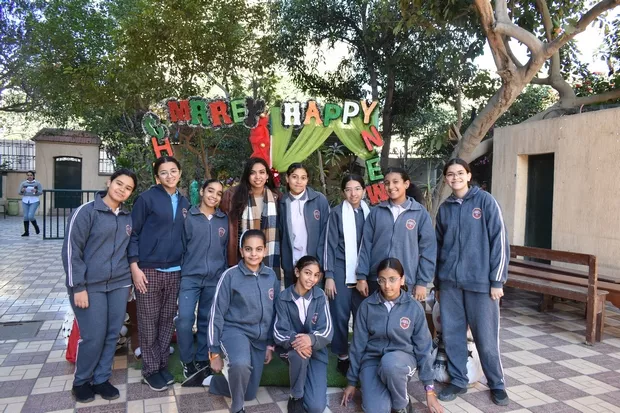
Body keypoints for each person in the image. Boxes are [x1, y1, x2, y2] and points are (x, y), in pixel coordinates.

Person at [435, 158, 509, 406]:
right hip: (450, 285)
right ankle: (458, 380)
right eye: (450, 174)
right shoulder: (445, 208)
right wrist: (438, 283)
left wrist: (497, 280)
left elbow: (499, 241)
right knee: (453, 336)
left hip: (481, 285)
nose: (455, 178)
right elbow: (438, 247)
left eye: (459, 173)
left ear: (468, 175)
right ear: (446, 179)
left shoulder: (485, 202)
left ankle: (497, 383)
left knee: (486, 339)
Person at [62, 169, 138, 403]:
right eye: (119, 183)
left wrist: (129, 282)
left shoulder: (127, 217)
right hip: (89, 285)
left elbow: (128, 250)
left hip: (119, 284)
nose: (122, 190)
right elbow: (71, 252)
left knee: (112, 333)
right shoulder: (86, 212)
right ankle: (81, 381)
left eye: (128, 188)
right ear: (109, 182)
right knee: (93, 335)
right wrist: (78, 287)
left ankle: (101, 378)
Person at [341, 258, 443, 413]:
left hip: (401, 360)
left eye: (392, 279)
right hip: (372, 361)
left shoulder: (414, 307)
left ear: (402, 280)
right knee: (375, 410)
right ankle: (391, 390)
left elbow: (424, 348)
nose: (387, 285)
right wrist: (352, 382)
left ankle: (402, 404)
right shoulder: (367, 306)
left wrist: (429, 390)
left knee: (390, 365)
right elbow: (357, 346)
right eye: (382, 280)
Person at [128, 156, 191, 391]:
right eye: (163, 172)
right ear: (157, 177)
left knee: (166, 320)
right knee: (148, 321)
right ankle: (150, 370)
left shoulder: (184, 202)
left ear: (180, 173)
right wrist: (134, 267)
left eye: (173, 171)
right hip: (148, 270)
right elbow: (132, 234)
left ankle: (162, 364)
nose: (169, 176)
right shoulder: (146, 199)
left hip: (175, 270)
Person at [207, 229, 279, 413]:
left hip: (259, 338)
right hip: (235, 331)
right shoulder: (230, 276)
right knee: (240, 364)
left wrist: (270, 344)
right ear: (241, 251)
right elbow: (216, 313)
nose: (253, 254)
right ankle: (237, 408)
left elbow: (275, 312)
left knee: (249, 392)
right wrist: (214, 353)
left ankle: (216, 382)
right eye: (248, 249)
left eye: (258, 249)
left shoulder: (271, 276)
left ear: (265, 251)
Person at [356, 167, 436, 301]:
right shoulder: (376, 212)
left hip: (406, 281)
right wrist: (362, 277)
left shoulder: (419, 213)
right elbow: (365, 246)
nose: (391, 186)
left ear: (406, 184)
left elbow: (428, 249)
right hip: (377, 280)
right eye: (387, 183)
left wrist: (422, 282)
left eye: (395, 182)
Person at [176, 179, 227, 380]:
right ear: (202, 192)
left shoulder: (223, 220)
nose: (214, 196)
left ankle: (201, 358)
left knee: (207, 320)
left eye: (219, 193)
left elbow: (225, 250)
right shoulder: (189, 217)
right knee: (185, 319)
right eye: (210, 191)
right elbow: (181, 246)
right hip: (190, 277)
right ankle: (187, 361)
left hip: (214, 278)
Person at [274, 256, 333, 413]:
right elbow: (279, 332)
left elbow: (327, 330)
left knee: (316, 407)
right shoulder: (283, 298)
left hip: (317, 353)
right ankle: (296, 396)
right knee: (299, 355)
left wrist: (310, 339)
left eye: (316, 275)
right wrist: (298, 340)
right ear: (297, 272)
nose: (312, 279)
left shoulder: (320, 296)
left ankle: (306, 379)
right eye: (307, 273)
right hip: (293, 351)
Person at [323, 174, 369, 375]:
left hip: (364, 271)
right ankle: (342, 355)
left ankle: (360, 354)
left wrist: (366, 275)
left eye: (357, 188)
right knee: (340, 314)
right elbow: (329, 245)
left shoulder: (370, 213)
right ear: (343, 192)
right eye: (348, 189)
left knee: (362, 315)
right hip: (340, 269)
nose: (353, 193)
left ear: (364, 190)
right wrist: (329, 276)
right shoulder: (336, 213)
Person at [220, 158, 281, 271]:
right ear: (247, 175)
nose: (258, 176)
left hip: (269, 256)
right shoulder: (232, 195)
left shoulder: (277, 197)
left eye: (262, 172)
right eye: (253, 173)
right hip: (240, 256)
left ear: (267, 175)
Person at [279, 163, 329, 288]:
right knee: (293, 297)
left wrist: (322, 264)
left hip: (315, 264)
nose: (298, 182)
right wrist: (285, 263)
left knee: (315, 298)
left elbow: (326, 234)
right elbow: (280, 234)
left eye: (303, 178)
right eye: (294, 177)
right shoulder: (282, 203)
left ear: (307, 180)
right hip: (292, 264)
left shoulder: (319, 200)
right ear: (287, 178)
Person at [19, 170, 43, 236]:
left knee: (30, 216)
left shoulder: (37, 183)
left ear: (33, 176)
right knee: (25, 216)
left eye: (31, 175)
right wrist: (22, 191)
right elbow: (19, 192)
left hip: (34, 200)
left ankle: (36, 226)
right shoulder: (23, 183)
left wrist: (36, 191)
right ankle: (26, 232)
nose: (29, 176)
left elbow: (41, 192)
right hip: (25, 200)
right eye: (28, 175)